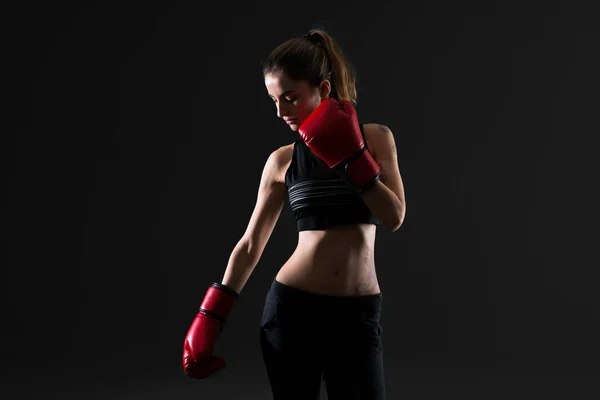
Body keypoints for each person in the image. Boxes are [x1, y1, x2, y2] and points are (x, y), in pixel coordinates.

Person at [182, 28, 406, 400]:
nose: (281, 111)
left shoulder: (376, 137)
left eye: (290, 97)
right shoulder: (281, 161)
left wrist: (351, 159)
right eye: (273, 100)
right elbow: (251, 243)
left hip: (358, 315)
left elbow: (395, 216)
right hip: (294, 312)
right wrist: (211, 314)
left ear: (324, 88)